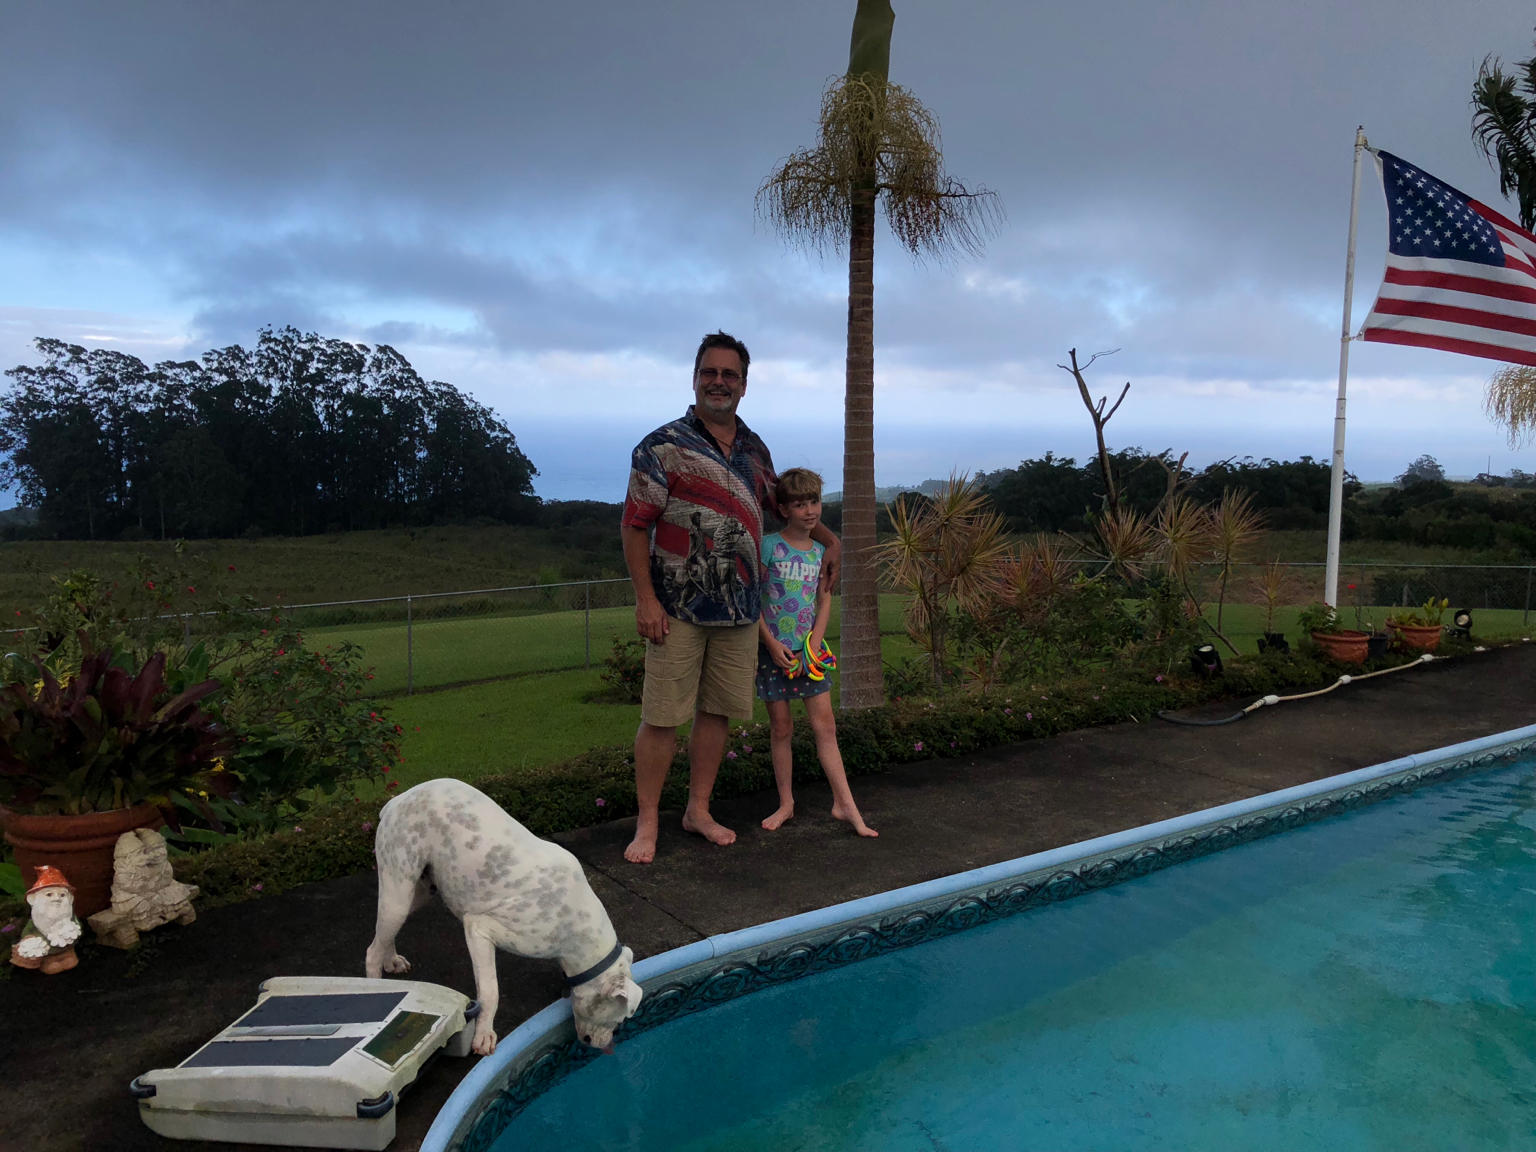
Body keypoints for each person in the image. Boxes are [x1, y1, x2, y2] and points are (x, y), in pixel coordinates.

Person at [620, 332, 840, 864]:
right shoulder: (661, 446)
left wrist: (831, 541)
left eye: (729, 374)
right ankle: (647, 822)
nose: (719, 382)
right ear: (695, 378)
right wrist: (646, 600)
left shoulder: (755, 450)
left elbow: (783, 506)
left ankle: (698, 811)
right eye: (710, 372)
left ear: (744, 384)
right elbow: (634, 525)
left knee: (717, 713)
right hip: (677, 608)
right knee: (662, 716)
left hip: (742, 609)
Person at [756, 469, 876, 838]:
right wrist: (770, 643)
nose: (809, 511)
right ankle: (786, 803)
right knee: (782, 728)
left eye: (814, 502)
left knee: (826, 727)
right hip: (773, 652)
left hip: (810, 654)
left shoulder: (822, 553)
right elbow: (751, 601)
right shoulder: (768, 546)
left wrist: (813, 644)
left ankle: (846, 805)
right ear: (783, 509)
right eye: (799, 504)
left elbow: (824, 602)